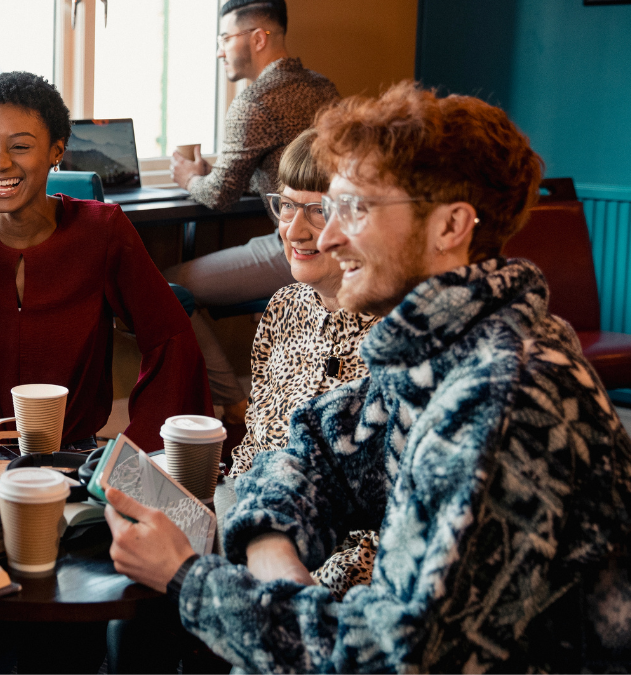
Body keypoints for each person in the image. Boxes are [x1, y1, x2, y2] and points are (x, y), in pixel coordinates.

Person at [104, 81, 631, 671]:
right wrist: (272, 552)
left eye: (352, 208)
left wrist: (189, 578)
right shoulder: (439, 349)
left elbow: (393, 658)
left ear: (451, 226)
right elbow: (312, 452)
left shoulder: (504, 397)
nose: (326, 235)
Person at [0, 71, 211, 452]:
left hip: (73, 452)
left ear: (57, 151)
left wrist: (138, 450)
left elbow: (171, 339)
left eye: (20, 147)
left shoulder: (102, 230)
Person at [165, 0, 339, 426]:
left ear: (258, 37)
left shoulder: (255, 102)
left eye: (226, 38)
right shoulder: (324, 88)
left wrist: (188, 176)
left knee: (167, 288)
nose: (221, 51)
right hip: (336, 239)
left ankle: (234, 402)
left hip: (296, 246)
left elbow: (221, 195)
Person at [228, 128, 381, 600]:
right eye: (287, 205)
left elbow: (379, 533)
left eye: (319, 210)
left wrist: (299, 589)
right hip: (252, 518)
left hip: (331, 570)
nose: (294, 230)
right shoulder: (283, 307)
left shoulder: (394, 338)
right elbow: (253, 443)